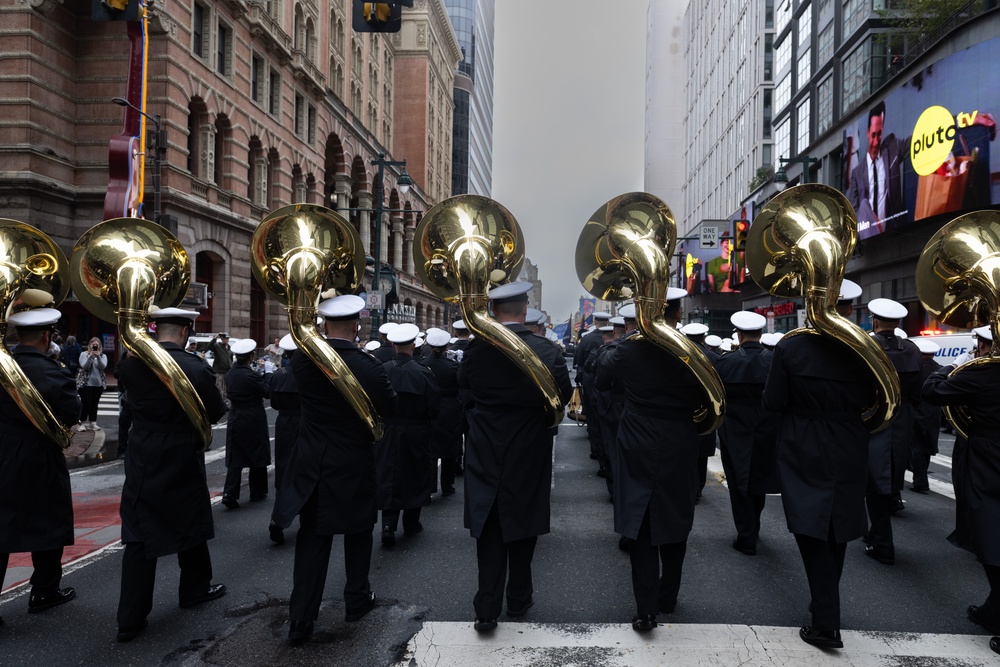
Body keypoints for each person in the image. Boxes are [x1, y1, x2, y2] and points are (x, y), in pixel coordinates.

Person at [271, 295, 396, 646]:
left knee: (313, 536)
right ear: (357, 325)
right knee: (358, 530)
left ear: (324, 325)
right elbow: (390, 407)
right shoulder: (369, 367)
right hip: (352, 459)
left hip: (312, 459)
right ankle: (357, 600)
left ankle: (300, 618)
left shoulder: (303, 362)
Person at [762, 288, 877, 650]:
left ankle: (826, 619)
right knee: (837, 523)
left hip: (804, 438)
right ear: (848, 308)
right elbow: (882, 396)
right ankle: (824, 602)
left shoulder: (792, 346)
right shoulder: (864, 347)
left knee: (810, 525)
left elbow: (774, 400)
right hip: (849, 437)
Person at [460, 281, 572, 632]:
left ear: (493, 311)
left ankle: (487, 604)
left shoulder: (477, 349)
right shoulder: (547, 350)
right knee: (524, 518)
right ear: (525, 309)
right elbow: (563, 396)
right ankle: (519, 597)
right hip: (529, 441)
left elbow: (464, 391)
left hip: (485, 441)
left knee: (489, 520)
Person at [116, 307, 229, 643]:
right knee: (189, 518)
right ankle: (194, 589)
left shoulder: (133, 362)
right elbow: (215, 413)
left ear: (157, 330)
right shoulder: (195, 366)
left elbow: (126, 401)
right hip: (181, 447)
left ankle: (130, 619)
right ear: (184, 332)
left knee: (138, 530)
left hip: (143, 449)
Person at [596, 288, 705, 632]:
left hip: (637, 437)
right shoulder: (695, 352)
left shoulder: (629, 348)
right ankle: (667, 596)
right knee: (676, 513)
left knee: (639, 518)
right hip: (681, 439)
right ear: (678, 312)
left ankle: (646, 610)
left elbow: (602, 380)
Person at [0, 307, 82, 626]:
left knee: (2, 522)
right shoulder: (51, 370)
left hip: (3, 451)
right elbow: (72, 411)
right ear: (47, 336)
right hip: (39, 454)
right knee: (49, 519)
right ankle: (44, 591)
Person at [922, 325, 1000, 657]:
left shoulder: (986, 374)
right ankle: (993, 608)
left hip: (990, 458)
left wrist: (946, 369)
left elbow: (933, 393)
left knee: (989, 532)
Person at [713, 311, 780, 556]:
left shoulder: (725, 362)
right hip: (766, 426)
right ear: (761, 334)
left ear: (739, 335)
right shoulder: (774, 361)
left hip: (734, 428)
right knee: (759, 478)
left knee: (738, 479)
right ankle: (754, 527)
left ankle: (746, 534)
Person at [863, 298, 921, 566]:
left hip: (874, 418)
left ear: (874, 321)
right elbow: (917, 392)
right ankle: (877, 532)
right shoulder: (911, 349)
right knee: (893, 475)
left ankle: (882, 542)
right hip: (903, 418)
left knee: (874, 481)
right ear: (898, 323)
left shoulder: (867, 345)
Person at [376, 323, 440, 547]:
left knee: (388, 473)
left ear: (393, 345)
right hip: (415, 429)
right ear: (414, 345)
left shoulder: (382, 369)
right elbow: (434, 407)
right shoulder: (423, 372)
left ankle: (387, 525)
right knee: (415, 473)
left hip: (387, 428)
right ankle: (411, 523)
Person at [222, 338, 271, 509]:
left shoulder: (230, 374)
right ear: (250, 356)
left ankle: (229, 492)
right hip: (253, 416)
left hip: (236, 415)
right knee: (257, 452)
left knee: (236, 455)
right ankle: (257, 491)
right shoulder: (251, 375)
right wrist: (268, 373)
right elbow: (267, 392)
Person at [846, 101, 906, 236]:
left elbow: (913, 143)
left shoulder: (892, 151)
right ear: (867, 132)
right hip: (867, 239)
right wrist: (868, 221)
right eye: (873, 135)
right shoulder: (857, 173)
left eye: (879, 134)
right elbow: (853, 211)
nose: (876, 141)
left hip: (894, 234)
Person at [422, 327, 463, 498]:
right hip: (450, 408)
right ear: (447, 347)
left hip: (428, 407)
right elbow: (460, 385)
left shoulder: (423, 365)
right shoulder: (452, 366)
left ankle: (430, 485)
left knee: (430, 448)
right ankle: (447, 485)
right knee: (449, 447)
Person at [268, 334, 300, 545]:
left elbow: (275, 403)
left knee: (283, 468)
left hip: (284, 424)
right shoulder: (311, 375)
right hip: (306, 423)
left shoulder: (278, 375)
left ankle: (278, 518)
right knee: (306, 469)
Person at [680, 322, 718, 500]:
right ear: (704, 337)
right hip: (706, 412)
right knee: (701, 457)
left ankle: (685, 488)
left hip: (682, 411)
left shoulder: (677, 354)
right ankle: (697, 489)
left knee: (682, 453)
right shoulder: (712, 356)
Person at [575, 311, 612, 463]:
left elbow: (579, 360)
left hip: (590, 382)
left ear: (595, 322)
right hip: (609, 384)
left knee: (592, 416)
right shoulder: (618, 340)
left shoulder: (587, 339)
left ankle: (596, 449)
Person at [910, 338, 942, 494]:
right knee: (927, 448)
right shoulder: (940, 370)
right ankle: (921, 480)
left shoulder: (916, 370)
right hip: (934, 413)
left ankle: (920, 482)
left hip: (917, 411)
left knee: (916, 448)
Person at [76, 336, 107, 431]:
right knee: (86, 403)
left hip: (98, 384)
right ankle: (81, 423)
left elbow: (103, 367)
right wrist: (90, 356)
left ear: (100, 346)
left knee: (94, 403)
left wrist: (98, 357)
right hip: (85, 383)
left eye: (97, 345)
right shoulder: (83, 354)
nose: (95, 347)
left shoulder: (103, 356)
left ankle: (93, 422)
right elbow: (84, 366)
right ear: (90, 345)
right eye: (93, 345)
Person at [114, 350, 134, 460]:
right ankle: (121, 449)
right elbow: (116, 373)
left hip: (137, 399)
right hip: (127, 398)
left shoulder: (140, 363)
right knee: (123, 425)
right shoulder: (123, 362)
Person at [208, 332, 232, 401]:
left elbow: (230, 359)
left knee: (225, 389)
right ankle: (218, 403)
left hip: (227, 372)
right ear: (222, 339)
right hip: (219, 371)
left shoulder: (228, 348)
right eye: (225, 339)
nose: (226, 340)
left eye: (227, 339)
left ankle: (224, 403)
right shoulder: (217, 346)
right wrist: (215, 337)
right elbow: (209, 346)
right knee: (219, 388)